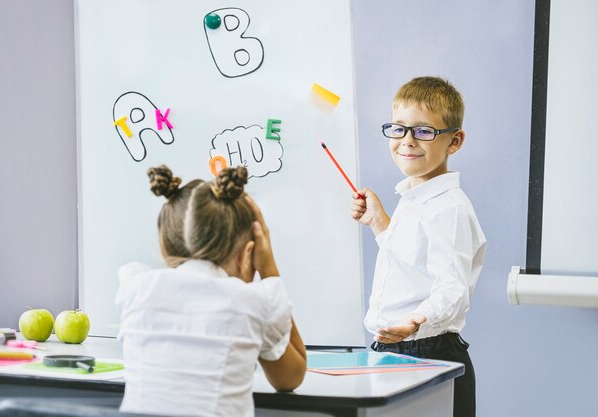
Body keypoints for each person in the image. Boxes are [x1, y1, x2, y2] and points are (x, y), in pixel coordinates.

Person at [116, 165, 306, 417]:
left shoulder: (135, 286)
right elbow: (290, 379)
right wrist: (269, 269)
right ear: (250, 252)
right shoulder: (254, 302)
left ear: (166, 245)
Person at [351, 76, 486, 417]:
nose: (407, 141)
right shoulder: (415, 198)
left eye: (424, 131)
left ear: (454, 141)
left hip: (427, 350)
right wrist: (380, 223)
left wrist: (415, 320)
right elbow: (413, 265)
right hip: (397, 350)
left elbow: (452, 288)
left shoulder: (448, 207)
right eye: (398, 129)